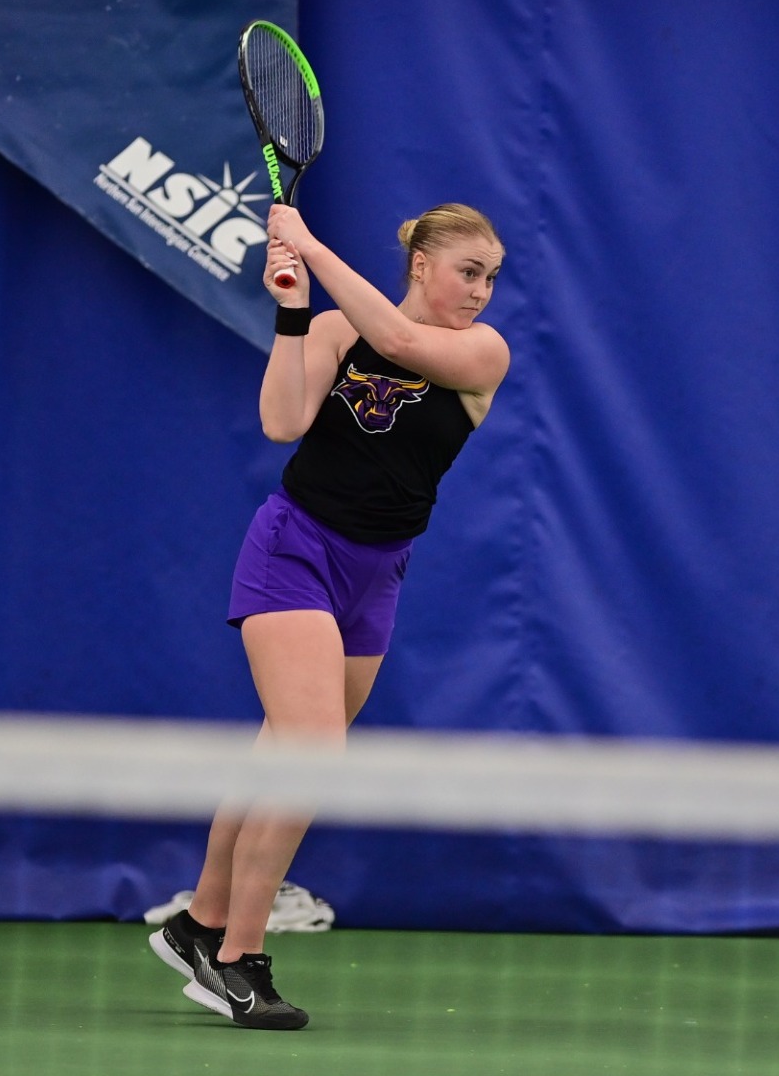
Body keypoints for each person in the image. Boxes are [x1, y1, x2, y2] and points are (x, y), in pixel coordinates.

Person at [148, 201, 509, 1030]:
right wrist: (292, 309)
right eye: (468, 272)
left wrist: (310, 243)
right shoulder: (340, 330)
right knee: (310, 751)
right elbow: (282, 421)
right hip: (295, 550)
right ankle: (236, 961)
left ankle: (198, 922)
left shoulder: (481, 353)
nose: (482, 291)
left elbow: (406, 346)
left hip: (377, 573)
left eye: (490, 277)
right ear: (422, 265)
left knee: (286, 747)